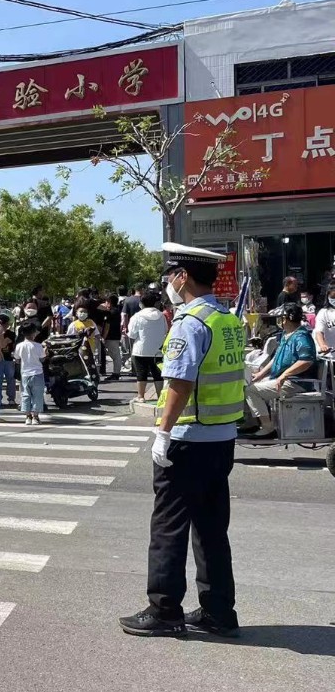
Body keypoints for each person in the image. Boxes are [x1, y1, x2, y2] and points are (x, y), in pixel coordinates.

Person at [120, 243, 244, 639]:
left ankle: (164, 610)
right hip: (221, 437)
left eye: (171, 274)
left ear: (182, 277)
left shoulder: (190, 322)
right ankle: (219, 612)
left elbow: (179, 383)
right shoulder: (227, 318)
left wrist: (162, 433)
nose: (169, 282)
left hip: (188, 439)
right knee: (211, 529)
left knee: (168, 527)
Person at [243, 302, 316, 437]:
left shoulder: (301, 336)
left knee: (251, 391)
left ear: (288, 318)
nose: (279, 320)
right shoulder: (286, 334)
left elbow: (306, 361)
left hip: (296, 382)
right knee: (247, 385)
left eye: (281, 317)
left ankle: (267, 428)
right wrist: (260, 374)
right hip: (282, 378)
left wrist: (285, 375)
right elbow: (277, 357)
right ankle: (252, 423)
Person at [128, 290, 169, 403]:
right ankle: (161, 396)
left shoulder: (137, 316)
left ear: (142, 303)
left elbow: (132, 334)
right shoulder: (161, 316)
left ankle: (141, 396)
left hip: (141, 350)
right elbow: (165, 330)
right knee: (158, 374)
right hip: (158, 350)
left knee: (141, 373)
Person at [15, 322, 46, 425]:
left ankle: (28, 416)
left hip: (25, 373)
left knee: (25, 394)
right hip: (37, 373)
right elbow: (42, 359)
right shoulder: (38, 346)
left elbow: (17, 360)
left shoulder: (19, 346)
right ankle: (36, 417)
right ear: (34, 333)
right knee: (37, 395)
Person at [100, 294, 124, 380]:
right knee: (115, 354)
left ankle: (116, 373)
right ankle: (116, 372)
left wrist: (104, 337)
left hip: (111, 336)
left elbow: (107, 326)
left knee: (115, 355)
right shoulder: (116, 311)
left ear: (109, 302)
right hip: (116, 335)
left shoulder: (111, 312)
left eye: (106, 302)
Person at [312, 281, 335, 353]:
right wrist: (322, 345)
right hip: (330, 355)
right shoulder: (323, 313)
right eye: (333, 297)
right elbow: (319, 332)